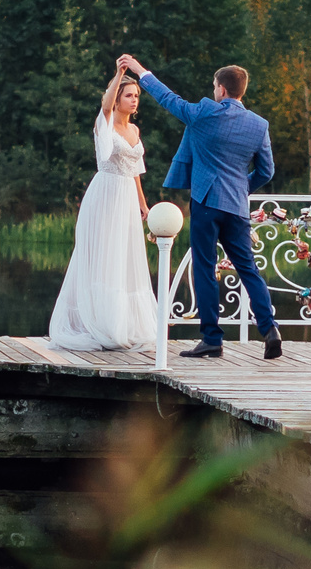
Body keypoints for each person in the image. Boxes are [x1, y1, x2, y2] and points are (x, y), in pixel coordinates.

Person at [117, 53, 281, 360]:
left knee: (205, 268)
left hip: (206, 202)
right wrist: (240, 187)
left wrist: (139, 71)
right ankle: (270, 329)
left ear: (220, 88)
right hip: (235, 205)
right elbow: (266, 171)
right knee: (248, 268)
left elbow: (169, 99)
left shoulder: (205, 112)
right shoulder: (259, 125)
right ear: (240, 91)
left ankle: (211, 339)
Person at [47, 72, 159, 351]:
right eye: (129, 95)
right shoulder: (105, 124)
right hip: (105, 194)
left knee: (125, 257)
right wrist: (120, 73)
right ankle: (96, 322)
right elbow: (106, 107)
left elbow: (135, 170)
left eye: (136, 96)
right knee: (103, 254)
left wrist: (143, 203)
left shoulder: (134, 131)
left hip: (126, 198)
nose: (134, 100)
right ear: (117, 99)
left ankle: (123, 324)